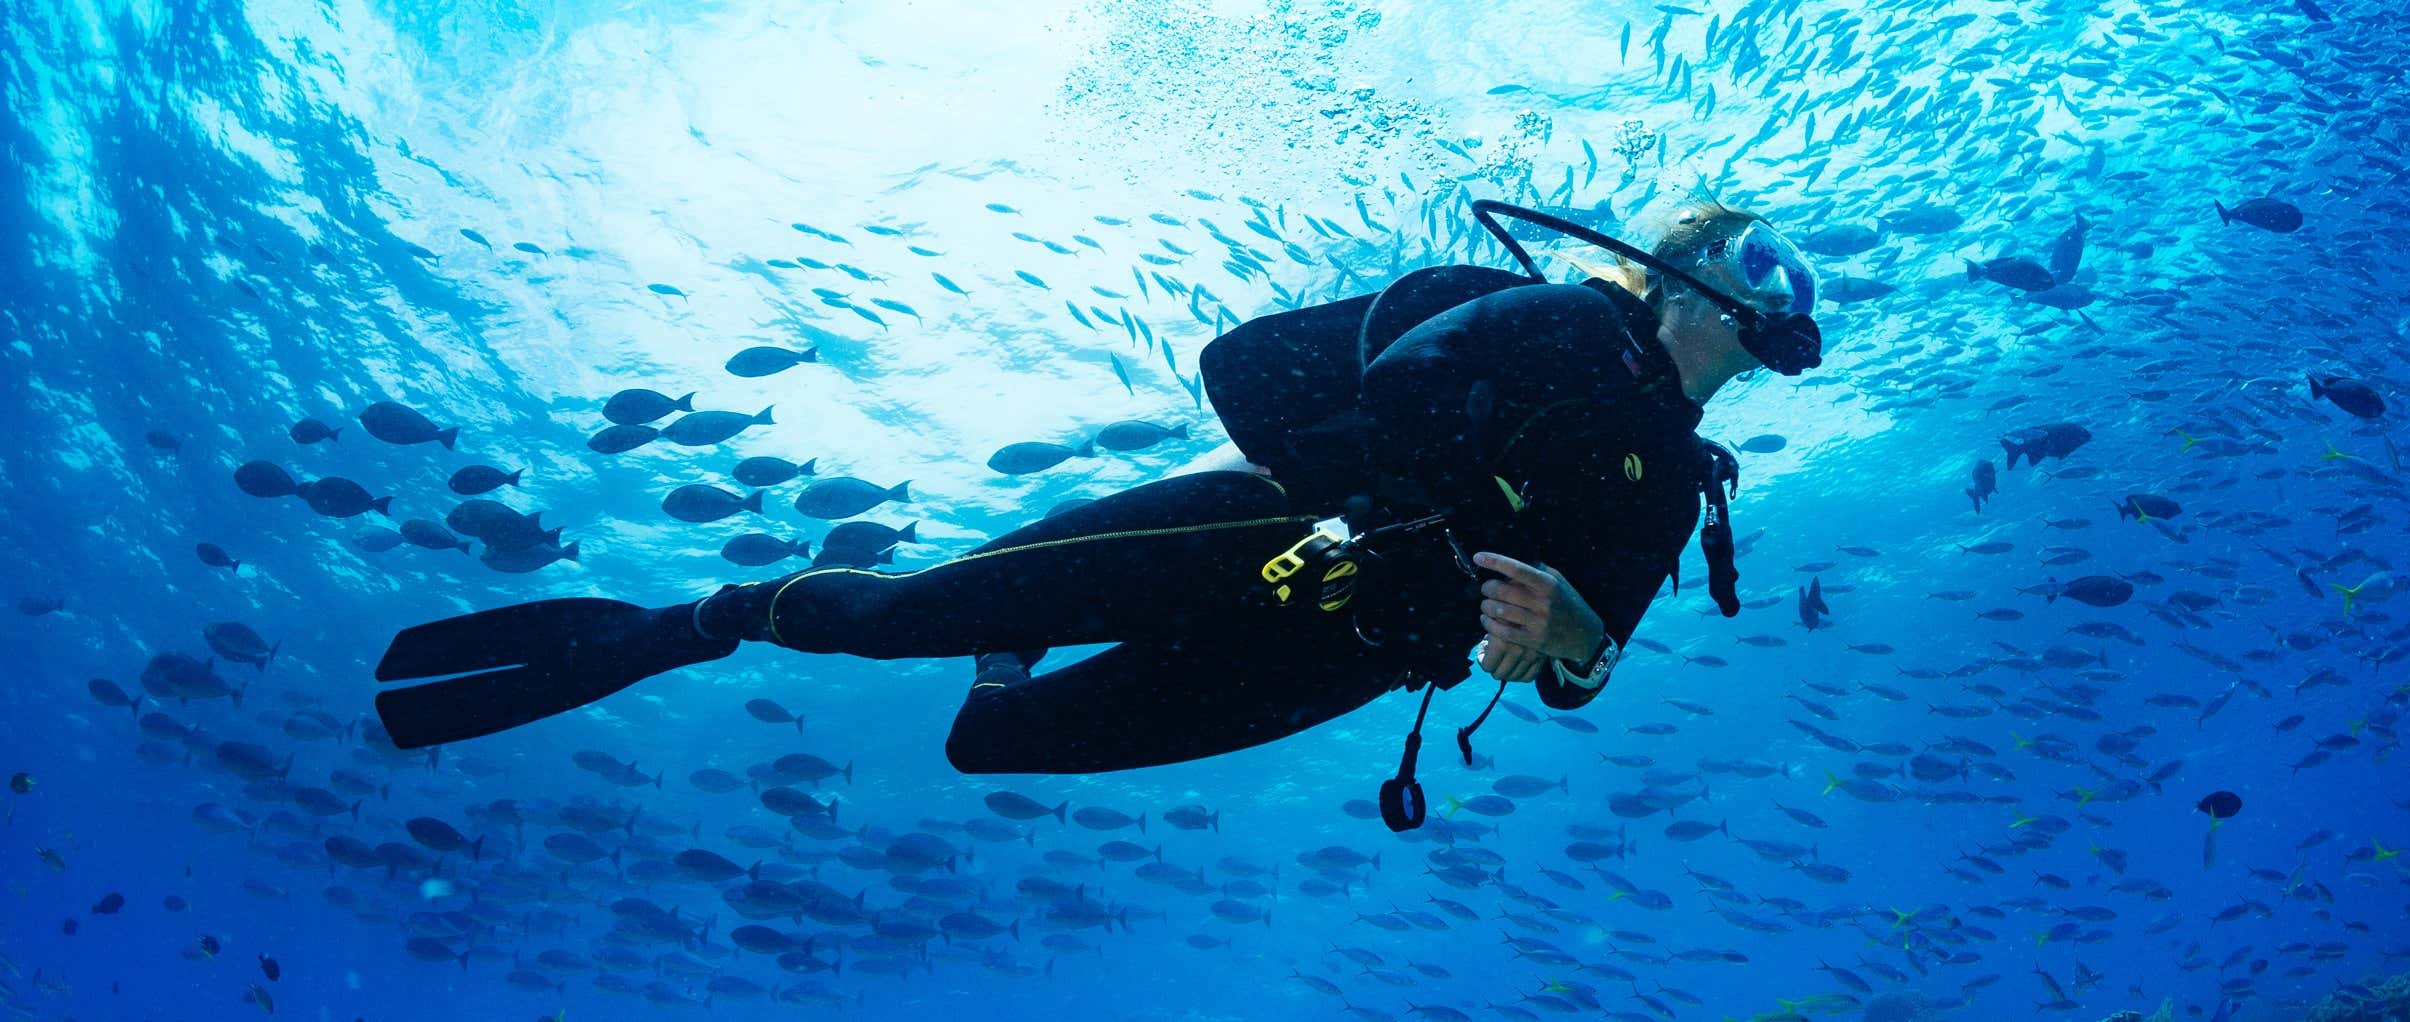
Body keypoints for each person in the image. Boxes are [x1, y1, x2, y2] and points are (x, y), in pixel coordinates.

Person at [371, 198, 1823, 828]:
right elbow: (1397, 379)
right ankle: (703, 619)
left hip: (1351, 657)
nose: (1784, 297)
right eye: (1763, 262)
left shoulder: (1679, 485)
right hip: (1263, 533)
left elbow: (1582, 668)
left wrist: (1568, 642)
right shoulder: (1565, 322)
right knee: (890, 620)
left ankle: (1003, 658)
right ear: (1684, 273)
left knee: (995, 741)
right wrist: (1446, 518)